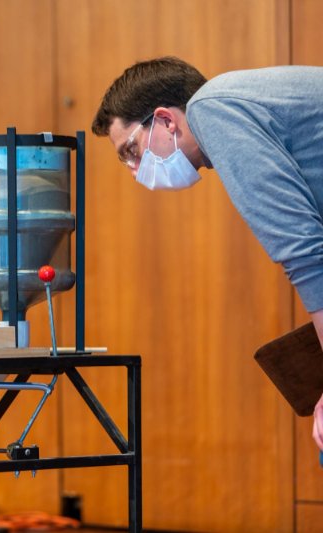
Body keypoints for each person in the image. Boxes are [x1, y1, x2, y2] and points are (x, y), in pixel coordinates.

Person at [91, 57, 323, 449]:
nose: (134, 170)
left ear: (165, 120)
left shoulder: (212, 109)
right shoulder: (237, 102)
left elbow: (305, 254)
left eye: (131, 150)